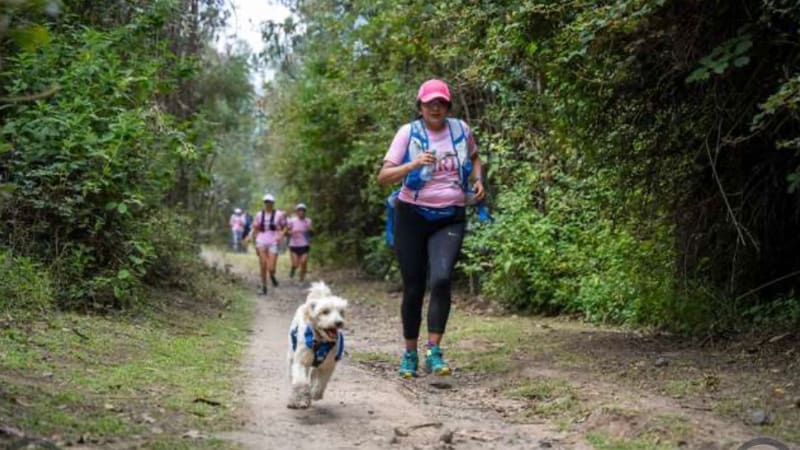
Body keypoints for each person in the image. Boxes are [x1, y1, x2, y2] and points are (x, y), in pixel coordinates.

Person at [377, 79, 485, 378]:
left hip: (450, 216)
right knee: (413, 287)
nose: (435, 107)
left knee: (441, 279)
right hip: (411, 216)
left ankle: (434, 351)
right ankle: (409, 353)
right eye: (429, 103)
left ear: (448, 105)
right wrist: (411, 165)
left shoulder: (461, 130)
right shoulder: (407, 133)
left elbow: (475, 158)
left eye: (440, 102)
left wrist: (478, 181)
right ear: (420, 107)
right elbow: (384, 176)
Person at [244, 194, 287, 295]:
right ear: (264, 203)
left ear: (273, 203)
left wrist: (282, 234)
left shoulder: (279, 214)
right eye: (266, 202)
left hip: (273, 241)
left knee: (271, 268)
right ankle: (264, 287)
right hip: (261, 240)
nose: (268, 204)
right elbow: (254, 227)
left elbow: (285, 226)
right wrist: (250, 236)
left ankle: (272, 275)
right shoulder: (259, 214)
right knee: (263, 265)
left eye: (270, 202)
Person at [286, 203, 313, 283]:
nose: (301, 212)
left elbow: (312, 232)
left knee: (303, 262)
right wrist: (291, 232)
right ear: (297, 212)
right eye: (299, 210)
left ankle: (301, 280)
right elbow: (287, 231)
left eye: (303, 211)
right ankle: (293, 269)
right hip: (294, 245)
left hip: (304, 245)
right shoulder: (292, 220)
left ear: (305, 212)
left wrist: (310, 230)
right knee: (295, 264)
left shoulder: (308, 221)